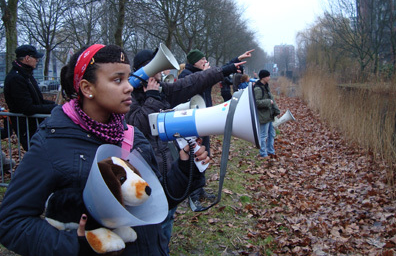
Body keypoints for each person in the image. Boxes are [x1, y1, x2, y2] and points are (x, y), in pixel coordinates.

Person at [0, 44, 210, 256]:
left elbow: (152, 201)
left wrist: (185, 168)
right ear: (87, 88)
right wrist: (81, 246)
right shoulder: (53, 141)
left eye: (128, 78)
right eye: (117, 80)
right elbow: (12, 223)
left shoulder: (133, 135)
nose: (129, 87)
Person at [125, 48, 245, 250]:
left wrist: (228, 67)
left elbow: (193, 82)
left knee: (167, 221)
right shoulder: (128, 96)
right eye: (157, 69)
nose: (161, 73)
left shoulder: (161, 90)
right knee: (152, 228)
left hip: (166, 169)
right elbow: (138, 123)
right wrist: (153, 97)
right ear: (143, 71)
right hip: (143, 171)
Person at [179, 48, 254, 210]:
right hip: (191, 122)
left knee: (205, 154)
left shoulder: (203, 72)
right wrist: (204, 74)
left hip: (204, 119)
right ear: (194, 62)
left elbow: (221, 70)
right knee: (194, 157)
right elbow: (192, 87)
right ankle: (192, 195)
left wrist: (237, 58)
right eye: (202, 59)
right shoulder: (185, 76)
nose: (206, 61)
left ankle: (199, 190)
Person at [4, 45, 56, 150]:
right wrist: (53, 108)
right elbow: (27, 107)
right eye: (35, 58)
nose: (37, 60)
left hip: (35, 125)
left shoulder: (27, 75)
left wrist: (56, 106)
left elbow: (38, 101)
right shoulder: (16, 78)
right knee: (38, 155)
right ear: (27, 58)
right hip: (26, 127)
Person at [254, 69, 280, 158]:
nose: (269, 77)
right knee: (263, 135)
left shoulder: (266, 86)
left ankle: (270, 151)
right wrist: (268, 102)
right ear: (263, 77)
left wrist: (276, 110)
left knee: (271, 134)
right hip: (263, 115)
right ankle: (263, 153)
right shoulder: (258, 88)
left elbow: (271, 98)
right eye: (268, 76)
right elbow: (256, 102)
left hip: (269, 115)